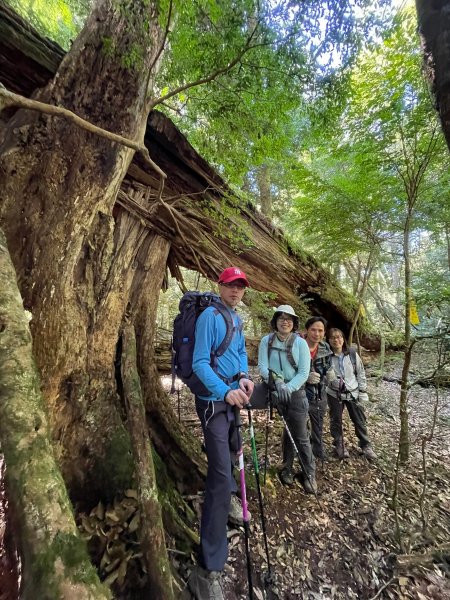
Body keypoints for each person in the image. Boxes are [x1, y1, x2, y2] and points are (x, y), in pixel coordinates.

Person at [188, 267, 254, 600]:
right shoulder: (209, 318)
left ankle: (232, 501)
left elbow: (239, 353)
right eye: (231, 285)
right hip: (214, 403)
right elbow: (199, 363)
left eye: (240, 287)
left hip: (232, 396)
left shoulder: (236, 319)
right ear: (220, 286)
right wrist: (223, 392)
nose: (236, 291)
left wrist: (243, 377)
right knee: (217, 475)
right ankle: (207, 567)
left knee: (233, 453)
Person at [251, 305, 316, 493]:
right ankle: (286, 468)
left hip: (295, 393)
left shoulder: (300, 343)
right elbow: (262, 366)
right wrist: (277, 381)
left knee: (300, 436)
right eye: (281, 317)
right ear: (275, 321)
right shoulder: (266, 341)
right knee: (287, 431)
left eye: (289, 318)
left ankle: (309, 474)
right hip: (272, 388)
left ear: (294, 323)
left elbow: (304, 372)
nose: (285, 321)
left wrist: (289, 386)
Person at [325, 328, 376, 460]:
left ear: (343, 339)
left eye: (339, 337)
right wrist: (328, 378)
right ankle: (339, 444)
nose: (336, 340)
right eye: (333, 338)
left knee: (359, 419)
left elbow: (360, 372)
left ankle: (366, 445)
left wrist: (363, 391)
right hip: (334, 393)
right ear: (328, 340)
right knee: (336, 420)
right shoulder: (326, 356)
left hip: (352, 391)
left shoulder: (352, 354)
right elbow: (321, 375)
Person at [304, 316, 333, 462]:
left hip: (319, 393)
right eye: (313, 330)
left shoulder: (325, 347)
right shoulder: (298, 345)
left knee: (318, 423)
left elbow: (328, 366)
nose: (317, 334)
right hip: (300, 394)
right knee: (298, 425)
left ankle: (317, 448)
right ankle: (298, 454)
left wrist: (329, 374)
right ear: (306, 330)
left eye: (320, 330)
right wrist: (305, 377)